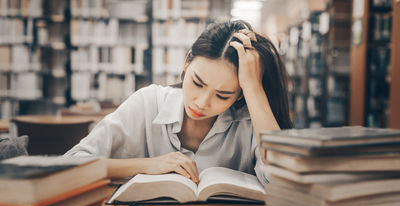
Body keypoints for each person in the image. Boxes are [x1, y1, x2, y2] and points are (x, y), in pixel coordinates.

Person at [65, 20, 292, 185]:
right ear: (186, 63)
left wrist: (254, 89)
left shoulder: (249, 120)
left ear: (240, 94)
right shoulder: (148, 102)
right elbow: (70, 165)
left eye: (223, 95)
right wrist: (146, 165)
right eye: (197, 83)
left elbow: (283, 182)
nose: (202, 103)